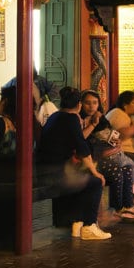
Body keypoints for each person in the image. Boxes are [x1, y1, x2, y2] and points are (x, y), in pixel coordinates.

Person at [36, 87, 110, 240]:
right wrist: (96, 173)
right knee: (95, 182)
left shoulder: (55, 116)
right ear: (79, 105)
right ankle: (89, 226)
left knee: (83, 178)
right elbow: (82, 149)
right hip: (55, 174)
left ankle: (77, 222)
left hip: (44, 169)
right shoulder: (71, 119)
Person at [82, 90, 134, 220]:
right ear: (80, 104)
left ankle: (127, 205)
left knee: (129, 166)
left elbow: (110, 133)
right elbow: (80, 139)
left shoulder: (101, 119)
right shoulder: (79, 119)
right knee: (117, 168)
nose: (91, 106)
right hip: (89, 159)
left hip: (105, 154)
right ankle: (117, 208)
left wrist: (114, 140)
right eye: (87, 103)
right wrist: (93, 124)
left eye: (94, 103)